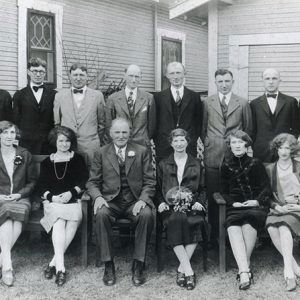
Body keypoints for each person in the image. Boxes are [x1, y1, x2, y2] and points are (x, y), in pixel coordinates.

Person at [87, 118, 155, 287]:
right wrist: (98, 197)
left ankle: (138, 264)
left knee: (146, 214)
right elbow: (92, 182)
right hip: (111, 201)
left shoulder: (141, 151)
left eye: (124, 132)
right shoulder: (101, 152)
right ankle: (108, 264)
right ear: (110, 133)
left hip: (134, 201)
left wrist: (142, 199)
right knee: (101, 214)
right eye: (117, 132)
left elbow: (150, 181)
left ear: (129, 133)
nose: (121, 135)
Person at [202, 69, 252, 246]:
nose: (224, 84)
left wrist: (237, 147)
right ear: (215, 83)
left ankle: (233, 236)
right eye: (220, 81)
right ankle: (215, 236)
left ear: (233, 82)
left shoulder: (243, 103)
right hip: (213, 156)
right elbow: (203, 129)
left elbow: (247, 130)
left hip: (234, 156)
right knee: (214, 195)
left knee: (233, 194)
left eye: (227, 81)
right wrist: (211, 144)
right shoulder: (207, 102)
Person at [156, 128, 207, 290]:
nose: (179, 143)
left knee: (196, 221)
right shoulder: (163, 164)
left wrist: (200, 201)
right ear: (171, 143)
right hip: (169, 206)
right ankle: (189, 271)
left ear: (188, 142)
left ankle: (181, 269)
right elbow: (156, 188)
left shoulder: (196, 163)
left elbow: (204, 188)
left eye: (182, 140)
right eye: (176, 140)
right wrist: (159, 202)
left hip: (192, 205)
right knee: (175, 220)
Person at [38, 126, 88, 286]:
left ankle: (53, 263)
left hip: (73, 201)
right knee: (59, 222)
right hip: (54, 203)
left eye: (68, 141)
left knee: (73, 220)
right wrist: (53, 197)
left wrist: (70, 193)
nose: (65, 144)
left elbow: (84, 180)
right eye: (61, 141)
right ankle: (61, 269)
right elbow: (41, 186)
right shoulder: (47, 162)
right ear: (55, 142)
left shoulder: (77, 159)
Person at [220, 130, 271, 290]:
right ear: (230, 145)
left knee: (249, 223)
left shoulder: (256, 163)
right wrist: (232, 203)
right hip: (235, 207)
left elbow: (266, 188)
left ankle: (243, 269)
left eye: (240, 142)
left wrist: (256, 201)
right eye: (233, 142)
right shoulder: (226, 165)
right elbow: (223, 191)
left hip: (255, 206)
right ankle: (245, 269)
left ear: (246, 144)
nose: (237, 146)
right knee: (234, 226)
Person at [0, 121, 36, 286]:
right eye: (5, 132)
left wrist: (19, 194)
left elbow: (32, 182)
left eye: (12, 133)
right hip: (1, 198)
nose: (9, 136)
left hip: (20, 197)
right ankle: (7, 266)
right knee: (9, 218)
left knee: (15, 218)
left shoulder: (24, 154)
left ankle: (4, 262)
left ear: (16, 135)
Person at [265, 134, 300, 291]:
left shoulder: (299, 166)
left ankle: (289, 273)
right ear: (276, 149)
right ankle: (296, 268)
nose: (284, 151)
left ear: (292, 150)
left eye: (287, 148)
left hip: (296, 209)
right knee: (272, 228)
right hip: (278, 208)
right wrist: (276, 206)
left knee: (284, 227)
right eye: (281, 148)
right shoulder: (270, 168)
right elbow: (266, 194)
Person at [53, 63, 105, 169]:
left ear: (87, 76)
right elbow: (57, 123)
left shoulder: (97, 96)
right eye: (75, 75)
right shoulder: (60, 96)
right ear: (70, 76)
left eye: (81, 75)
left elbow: (102, 123)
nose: (78, 78)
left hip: (90, 147)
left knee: (91, 177)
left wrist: (92, 140)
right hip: (67, 147)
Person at [154, 62, 202, 162]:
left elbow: (199, 123)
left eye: (178, 73)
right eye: (172, 73)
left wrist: (189, 141)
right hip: (164, 149)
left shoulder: (194, 97)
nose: (175, 77)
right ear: (167, 75)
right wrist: (160, 142)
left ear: (184, 73)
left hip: (188, 148)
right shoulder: (158, 97)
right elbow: (155, 123)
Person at [250, 68, 300, 163]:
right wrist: (257, 146)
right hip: (261, 153)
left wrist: (288, 146)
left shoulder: (291, 102)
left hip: (284, 152)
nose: (271, 82)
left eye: (274, 78)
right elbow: (252, 130)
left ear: (279, 80)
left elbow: (296, 128)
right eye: (267, 79)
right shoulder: (254, 104)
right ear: (262, 81)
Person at [105, 64, 156, 149]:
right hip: (120, 144)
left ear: (141, 78)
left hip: (142, 145)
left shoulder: (149, 98)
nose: (133, 80)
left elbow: (152, 125)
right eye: (131, 76)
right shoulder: (113, 98)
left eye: (137, 76)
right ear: (124, 76)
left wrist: (145, 138)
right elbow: (108, 125)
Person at [12, 58, 56, 154]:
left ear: (45, 73)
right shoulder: (19, 95)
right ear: (28, 72)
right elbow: (16, 120)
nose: (38, 74)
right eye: (35, 71)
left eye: (41, 71)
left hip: (48, 143)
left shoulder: (54, 94)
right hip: (27, 144)